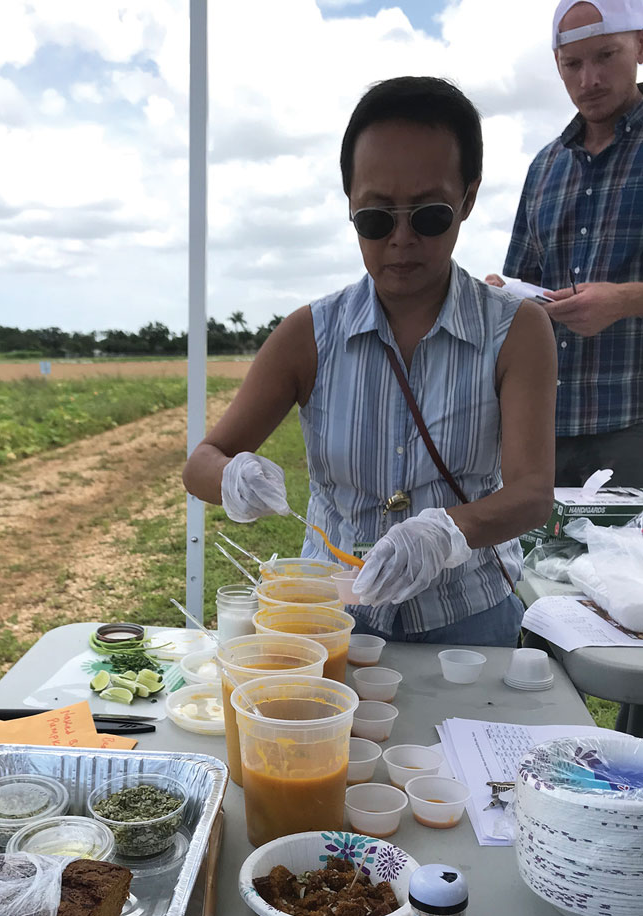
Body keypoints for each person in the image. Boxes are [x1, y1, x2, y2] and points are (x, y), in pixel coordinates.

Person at [184, 77, 556, 647]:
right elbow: (202, 462)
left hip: (469, 618)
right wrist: (232, 476)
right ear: (351, 207)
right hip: (330, 619)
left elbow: (531, 494)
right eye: (376, 219)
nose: (401, 239)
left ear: (468, 200)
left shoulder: (515, 329)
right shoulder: (309, 334)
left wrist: (444, 532)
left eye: (429, 216)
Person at [489, 0, 643, 486]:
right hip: (544, 428)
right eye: (572, 64)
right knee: (538, 564)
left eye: (606, 56)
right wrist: (501, 293)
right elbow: (524, 282)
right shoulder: (544, 168)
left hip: (634, 425)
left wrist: (624, 300)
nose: (589, 80)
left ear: (640, 45)